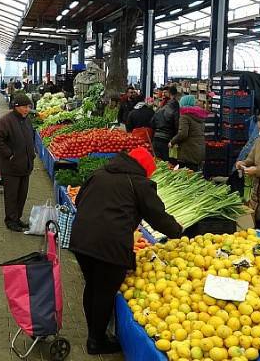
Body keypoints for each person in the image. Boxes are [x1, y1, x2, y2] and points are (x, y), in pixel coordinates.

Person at [70, 147, 182, 354]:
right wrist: (178, 232)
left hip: (81, 239)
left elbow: (79, 200)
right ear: (146, 169)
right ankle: (96, 341)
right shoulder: (139, 183)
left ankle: (94, 333)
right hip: (108, 245)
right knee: (104, 292)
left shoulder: (100, 173)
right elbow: (158, 218)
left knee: (93, 286)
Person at [0, 94, 35, 232]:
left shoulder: (27, 120)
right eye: (24, 107)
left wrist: (31, 155)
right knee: (12, 196)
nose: (27, 109)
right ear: (16, 107)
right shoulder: (6, 121)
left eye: (28, 107)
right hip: (11, 167)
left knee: (22, 196)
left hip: (25, 166)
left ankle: (17, 218)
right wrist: (9, 154)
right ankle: (10, 220)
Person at [169, 94, 207, 171]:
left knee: (187, 175)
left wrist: (172, 142)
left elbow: (183, 134)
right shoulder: (199, 116)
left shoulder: (185, 116)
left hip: (188, 152)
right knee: (195, 173)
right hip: (199, 150)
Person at [151, 86, 181, 161]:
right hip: (166, 140)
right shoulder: (175, 108)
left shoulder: (161, 108)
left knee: (156, 163)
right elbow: (177, 125)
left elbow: (152, 122)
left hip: (156, 138)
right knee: (167, 164)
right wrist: (175, 139)